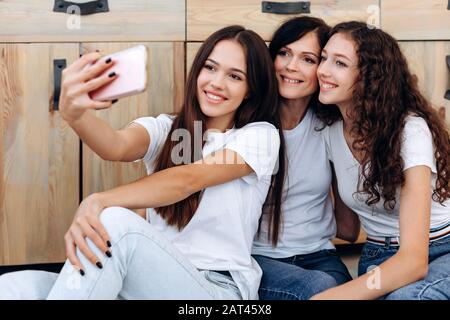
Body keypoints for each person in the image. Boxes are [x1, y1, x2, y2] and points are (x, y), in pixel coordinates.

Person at [0, 25, 284, 300]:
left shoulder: (259, 137)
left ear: (250, 89)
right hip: (141, 280)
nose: (216, 82)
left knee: (115, 221)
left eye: (235, 76)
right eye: (210, 67)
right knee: (13, 286)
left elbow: (188, 180)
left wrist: (99, 200)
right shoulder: (167, 129)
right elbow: (116, 146)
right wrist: (74, 114)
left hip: (216, 288)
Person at [313, 21, 450, 300]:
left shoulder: (410, 131)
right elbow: (348, 229)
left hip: (439, 250)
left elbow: (413, 260)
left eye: (340, 63)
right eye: (324, 58)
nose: (323, 70)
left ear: (371, 76)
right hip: (378, 255)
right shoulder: (329, 131)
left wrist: (331, 297)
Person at [251, 16, 357, 300]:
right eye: (284, 53)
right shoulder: (248, 126)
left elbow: (348, 228)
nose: (291, 66)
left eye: (308, 59)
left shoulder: (331, 127)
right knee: (321, 290)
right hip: (257, 258)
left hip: (320, 256)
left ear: (322, 70)